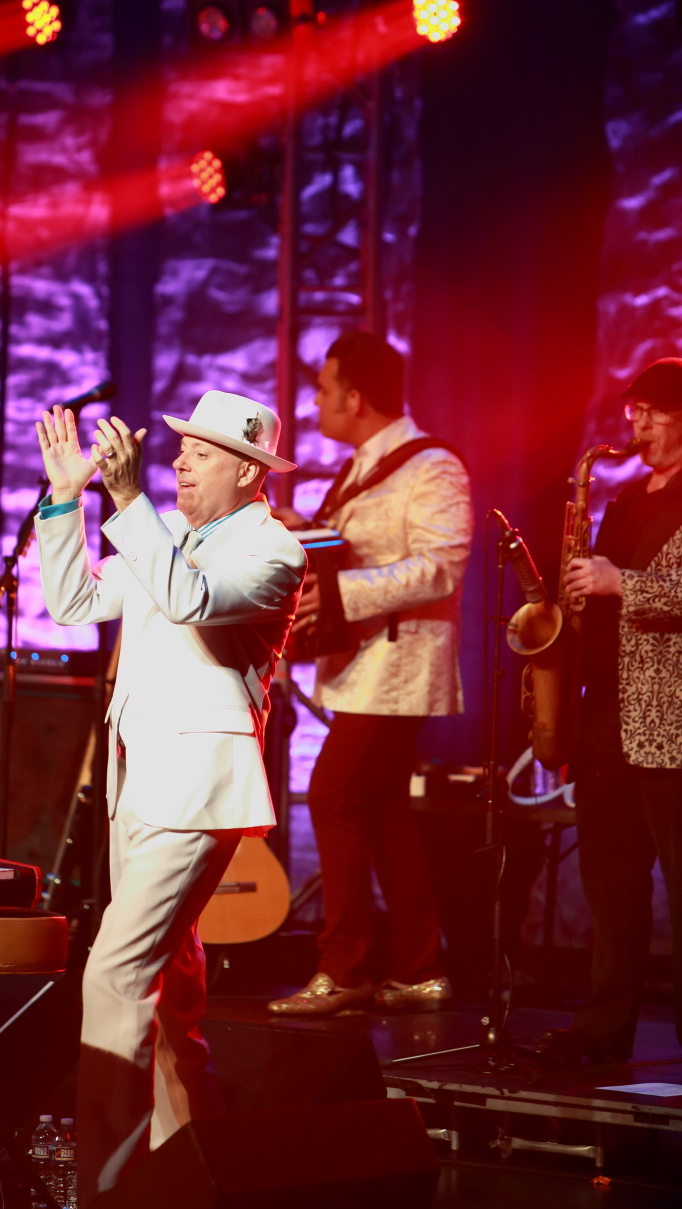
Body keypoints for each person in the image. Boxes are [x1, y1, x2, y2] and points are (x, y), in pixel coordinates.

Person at [33, 390, 305, 1206]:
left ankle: (109, 1189)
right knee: (169, 998)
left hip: (196, 796)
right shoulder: (171, 535)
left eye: (202, 451)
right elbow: (75, 604)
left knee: (114, 977)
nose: (181, 460)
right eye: (182, 446)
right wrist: (64, 500)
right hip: (142, 786)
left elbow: (192, 600)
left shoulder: (273, 552)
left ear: (249, 472)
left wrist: (125, 502)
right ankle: (197, 1168)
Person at [268, 331, 473, 1017]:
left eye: (322, 390)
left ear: (354, 398)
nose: (315, 403)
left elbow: (442, 566)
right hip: (364, 663)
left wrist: (342, 591)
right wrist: (302, 532)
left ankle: (345, 965)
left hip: (400, 663)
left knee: (333, 795)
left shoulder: (432, 466)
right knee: (383, 812)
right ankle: (419, 969)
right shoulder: (362, 465)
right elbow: (354, 550)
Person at [539, 357, 682, 1067]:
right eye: (634, 413)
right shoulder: (624, 499)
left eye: (652, 414)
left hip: (671, 722)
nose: (639, 427)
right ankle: (602, 1029)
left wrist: (618, 582)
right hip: (607, 718)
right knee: (610, 882)